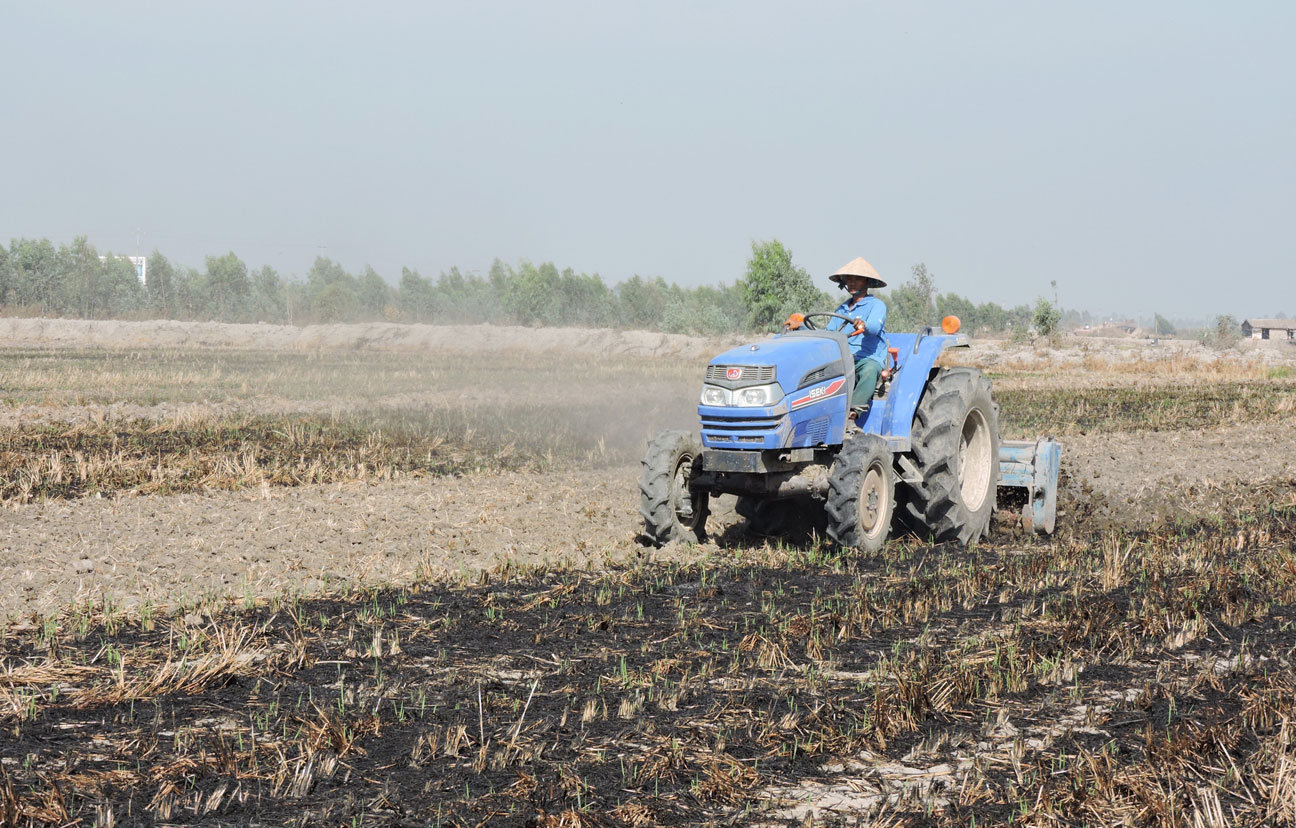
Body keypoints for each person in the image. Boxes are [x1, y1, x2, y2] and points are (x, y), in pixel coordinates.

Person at [826, 257, 888, 417]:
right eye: (849, 279)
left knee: (869, 370)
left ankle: (852, 411)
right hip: (845, 357)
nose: (852, 283)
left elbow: (874, 328)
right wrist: (801, 326)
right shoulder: (842, 308)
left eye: (857, 279)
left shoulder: (876, 305)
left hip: (867, 357)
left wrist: (864, 325)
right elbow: (828, 333)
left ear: (867, 282)